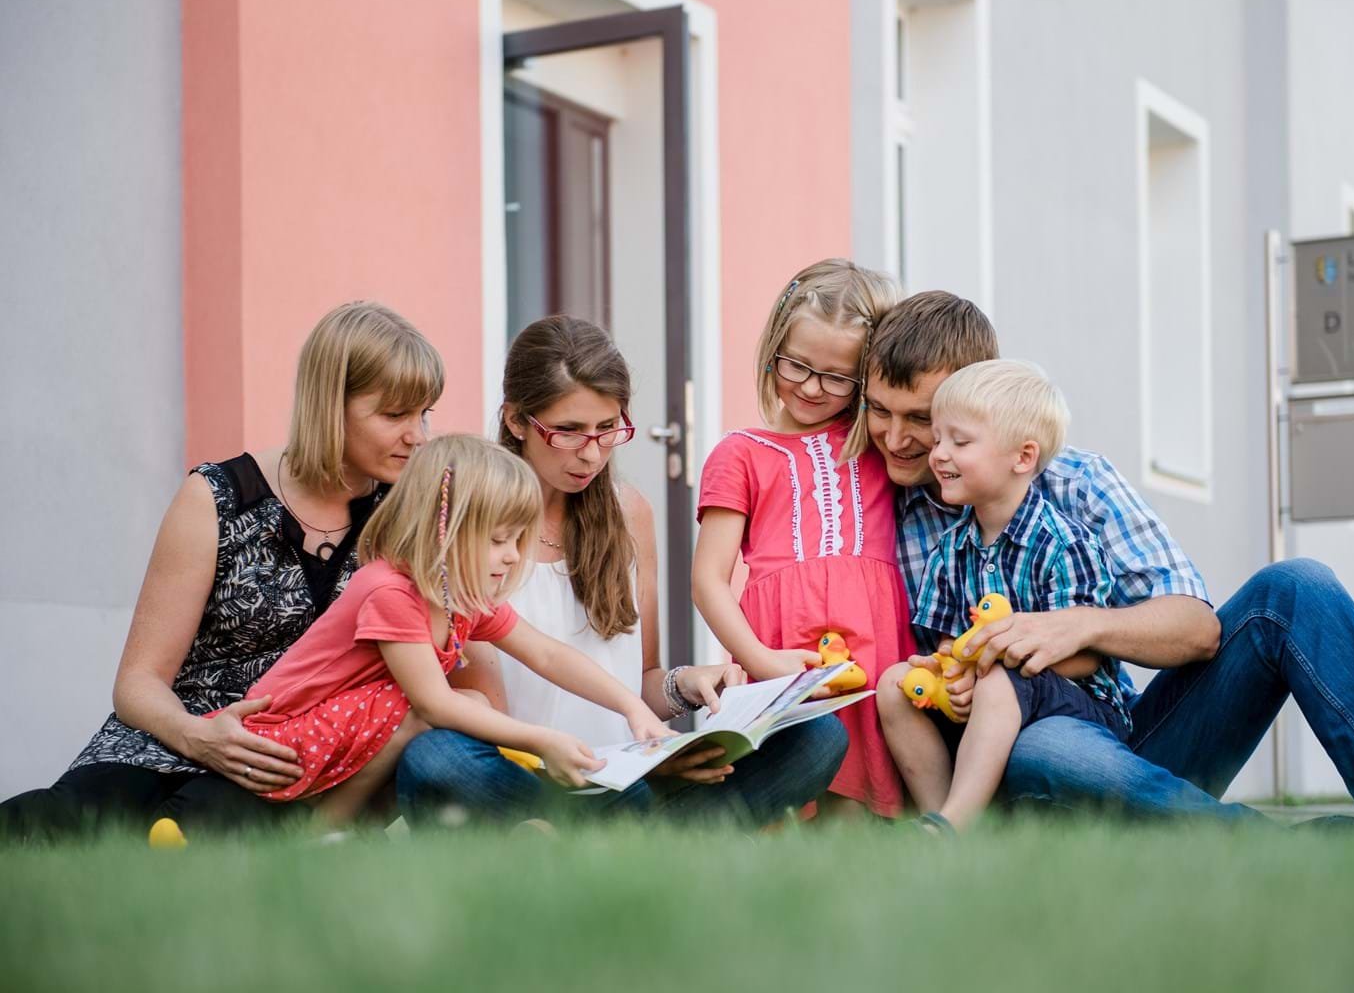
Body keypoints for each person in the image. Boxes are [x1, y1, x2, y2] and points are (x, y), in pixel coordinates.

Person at [860, 290, 1354, 823]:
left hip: (1119, 735)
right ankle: (1268, 843)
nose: (897, 439)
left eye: (924, 420)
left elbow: (1198, 630)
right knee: (1044, 745)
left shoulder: (1075, 483)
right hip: (1002, 761)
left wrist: (1080, 624)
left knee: (1296, 587)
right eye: (879, 413)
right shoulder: (874, 499)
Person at [1, 301, 445, 841]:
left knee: (193, 837)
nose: (418, 436)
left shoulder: (414, 516)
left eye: (425, 413)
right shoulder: (216, 497)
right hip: (168, 738)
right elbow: (138, 684)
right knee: (63, 824)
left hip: (292, 763)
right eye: (395, 415)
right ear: (331, 406)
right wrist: (199, 737)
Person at [395, 316, 849, 826]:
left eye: (607, 429)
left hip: (630, 777)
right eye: (567, 431)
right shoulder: (470, 521)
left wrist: (687, 685)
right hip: (522, 775)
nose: (591, 453)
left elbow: (640, 683)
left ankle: (605, 842)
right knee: (435, 759)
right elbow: (480, 711)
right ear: (517, 420)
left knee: (817, 738)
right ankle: (629, 842)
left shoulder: (629, 513)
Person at [219, 434, 671, 827]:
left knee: (466, 704)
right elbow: (432, 704)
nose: (514, 556)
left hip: (339, 740)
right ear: (444, 533)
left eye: (517, 540)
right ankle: (325, 831)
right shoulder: (391, 591)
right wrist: (540, 738)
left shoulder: (458, 596)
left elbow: (547, 654)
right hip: (278, 742)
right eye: (497, 541)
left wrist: (631, 706)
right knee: (429, 709)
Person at [692, 260, 908, 818]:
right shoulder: (738, 452)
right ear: (773, 348)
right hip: (779, 645)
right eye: (797, 365)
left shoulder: (882, 443)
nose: (812, 388)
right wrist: (760, 659)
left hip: (877, 643)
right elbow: (708, 579)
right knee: (793, 800)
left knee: (861, 810)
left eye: (837, 377)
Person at [880, 360, 1128, 832]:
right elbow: (945, 644)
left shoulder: (1063, 543)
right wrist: (946, 670)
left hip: (1080, 709)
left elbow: (1086, 658)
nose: (938, 455)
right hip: (980, 701)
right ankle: (937, 822)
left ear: (1023, 457)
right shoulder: (951, 548)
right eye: (938, 440)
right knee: (896, 683)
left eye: (960, 441)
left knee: (1000, 680)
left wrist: (992, 671)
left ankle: (955, 823)